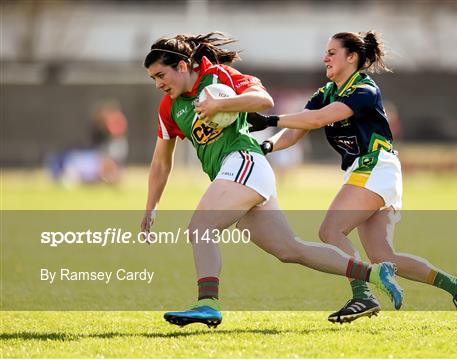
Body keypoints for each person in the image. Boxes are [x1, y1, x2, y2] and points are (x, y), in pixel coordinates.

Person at [140, 32, 404, 329]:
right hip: (237, 175)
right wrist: (151, 206)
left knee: (201, 226)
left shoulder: (218, 76)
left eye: (161, 74)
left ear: (183, 66)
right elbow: (161, 161)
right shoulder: (169, 108)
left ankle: (207, 304)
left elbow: (263, 100)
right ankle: (373, 274)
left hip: (244, 162)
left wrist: (221, 105)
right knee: (290, 250)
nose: (159, 83)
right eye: (153, 79)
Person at [247, 31, 457, 328]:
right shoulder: (325, 92)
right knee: (383, 255)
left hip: (375, 166)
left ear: (351, 57)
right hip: (373, 170)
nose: (325, 58)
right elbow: (297, 130)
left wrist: (270, 120)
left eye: (332, 52)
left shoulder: (364, 89)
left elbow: (318, 120)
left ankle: (363, 294)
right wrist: (267, 145)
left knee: (330, 231)